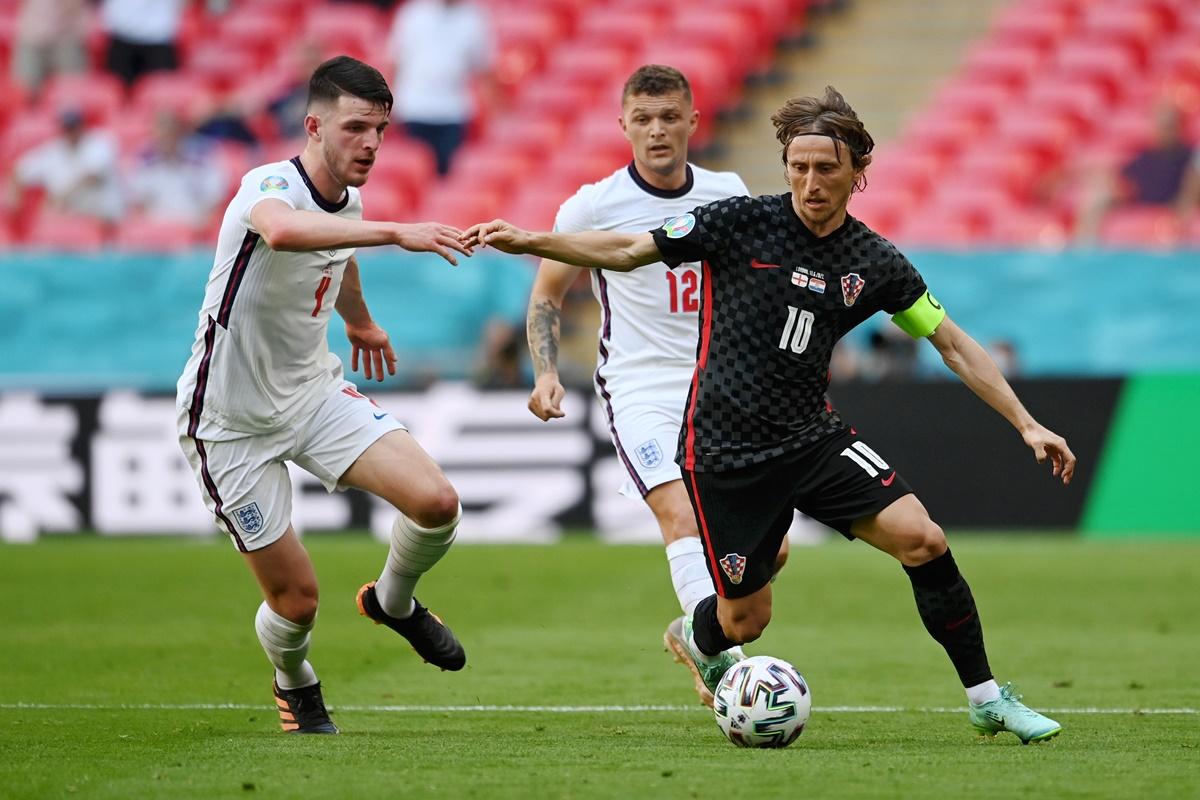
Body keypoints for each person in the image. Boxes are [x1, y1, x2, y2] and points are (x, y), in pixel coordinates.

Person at [464, 86, 1077, 744]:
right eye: (799, 166)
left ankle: (987, 698)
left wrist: (1026, 422)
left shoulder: (875, 261)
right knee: (744, 621)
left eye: (826, 168)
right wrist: (534, 240)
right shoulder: (739, 222)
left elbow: (950, 342)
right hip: (727, 454)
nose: (811, 182)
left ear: (856, 172)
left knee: (923, 539)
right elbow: (627, 251)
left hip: (813, 438)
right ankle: (696, 635)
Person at [175, 56, 474, 734]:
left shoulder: (350, 199)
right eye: (355, 128)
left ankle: (394, 602)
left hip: (312, 394)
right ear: (313, 125)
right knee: (298, 602)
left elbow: (338, 254)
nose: (370, 143)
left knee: (437, 502)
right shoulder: (268, 184)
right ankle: (294, 679)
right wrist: (399, 231)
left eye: (380, 130)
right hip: (227, 420)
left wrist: (359, 319)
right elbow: (285, 231)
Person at [525, 64, 787, 707]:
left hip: (722, 388)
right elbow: (547, 294)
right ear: (623, 126)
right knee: (680, 517)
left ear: (694, 121)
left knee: (767, 551)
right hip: (639, 386)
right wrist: (547, 372)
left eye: (670, 116)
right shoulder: (593, 205)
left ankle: (693, 633)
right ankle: (727, 668)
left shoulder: (728, 192)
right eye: (643, 118)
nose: (657, 130)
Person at [387, 0, 495, 175]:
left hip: (453, 112)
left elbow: (484, 69)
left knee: (448, 175)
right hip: (413, 109)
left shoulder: (474, 18)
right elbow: (396, 62)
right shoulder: (412, 13)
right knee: (412, 174)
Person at [1075, 104, 1197, 242]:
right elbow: (1124, 178)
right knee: (1098, 194)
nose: (1164, 130)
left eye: (1169, 125)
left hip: (1172, 206)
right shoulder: (1147, 156)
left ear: (1180, 126)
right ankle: (1086, 251)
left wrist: (1182, 207)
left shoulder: (1190, 156)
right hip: (1141, 201)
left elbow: (1190, 189)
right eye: (1161, 125)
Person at [7, 107, 124, 224]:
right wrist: (16, 199)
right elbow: (20, 170)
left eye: (74, 127)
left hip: (103, 217)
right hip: (69, 218)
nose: (71, 132)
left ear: (83, 126)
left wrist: (62, 197)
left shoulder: (100, 141)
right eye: (67, 128)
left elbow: (92, 177)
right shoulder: (54, 149)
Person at [126, 109, 226, 230]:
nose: (166, 136)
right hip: (154, 234)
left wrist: (202, 228)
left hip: (195, 230)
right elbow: (137, 205)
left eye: (170, 131)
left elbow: (214, 201)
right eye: (162, 131)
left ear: (181, 132)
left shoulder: (203, 159)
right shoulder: (142, 162)